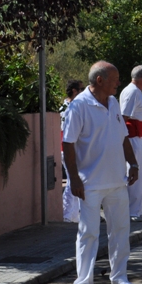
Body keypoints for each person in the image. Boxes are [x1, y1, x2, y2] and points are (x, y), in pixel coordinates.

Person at [62, 61, 139, 284]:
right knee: (88, 234)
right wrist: (74, 178)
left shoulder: (113, 102)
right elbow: (67, 143)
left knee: (120, 231)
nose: (118, 83)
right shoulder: (78, 106)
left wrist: (133, 163)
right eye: (115, 79)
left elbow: (123, 136)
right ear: (100, 80)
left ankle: (119, 277)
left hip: (117, 181)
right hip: (90, 184)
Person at [120, 65, 142, 221]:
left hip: (140, 137)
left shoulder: (135, 92)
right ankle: (133, 212)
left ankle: (138, 210)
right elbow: (124, 117)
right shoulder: (132, 92)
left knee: (141, 177)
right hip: (134, 138)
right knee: (135, 174)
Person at [60, 79, 84, 223]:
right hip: (68, 149)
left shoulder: (71, 106)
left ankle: (73, 215)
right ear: (74, 91)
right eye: (81, 90)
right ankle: (67, 214)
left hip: (72, 148)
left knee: (75, 180)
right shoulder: (67, 108)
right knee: (72, 181)